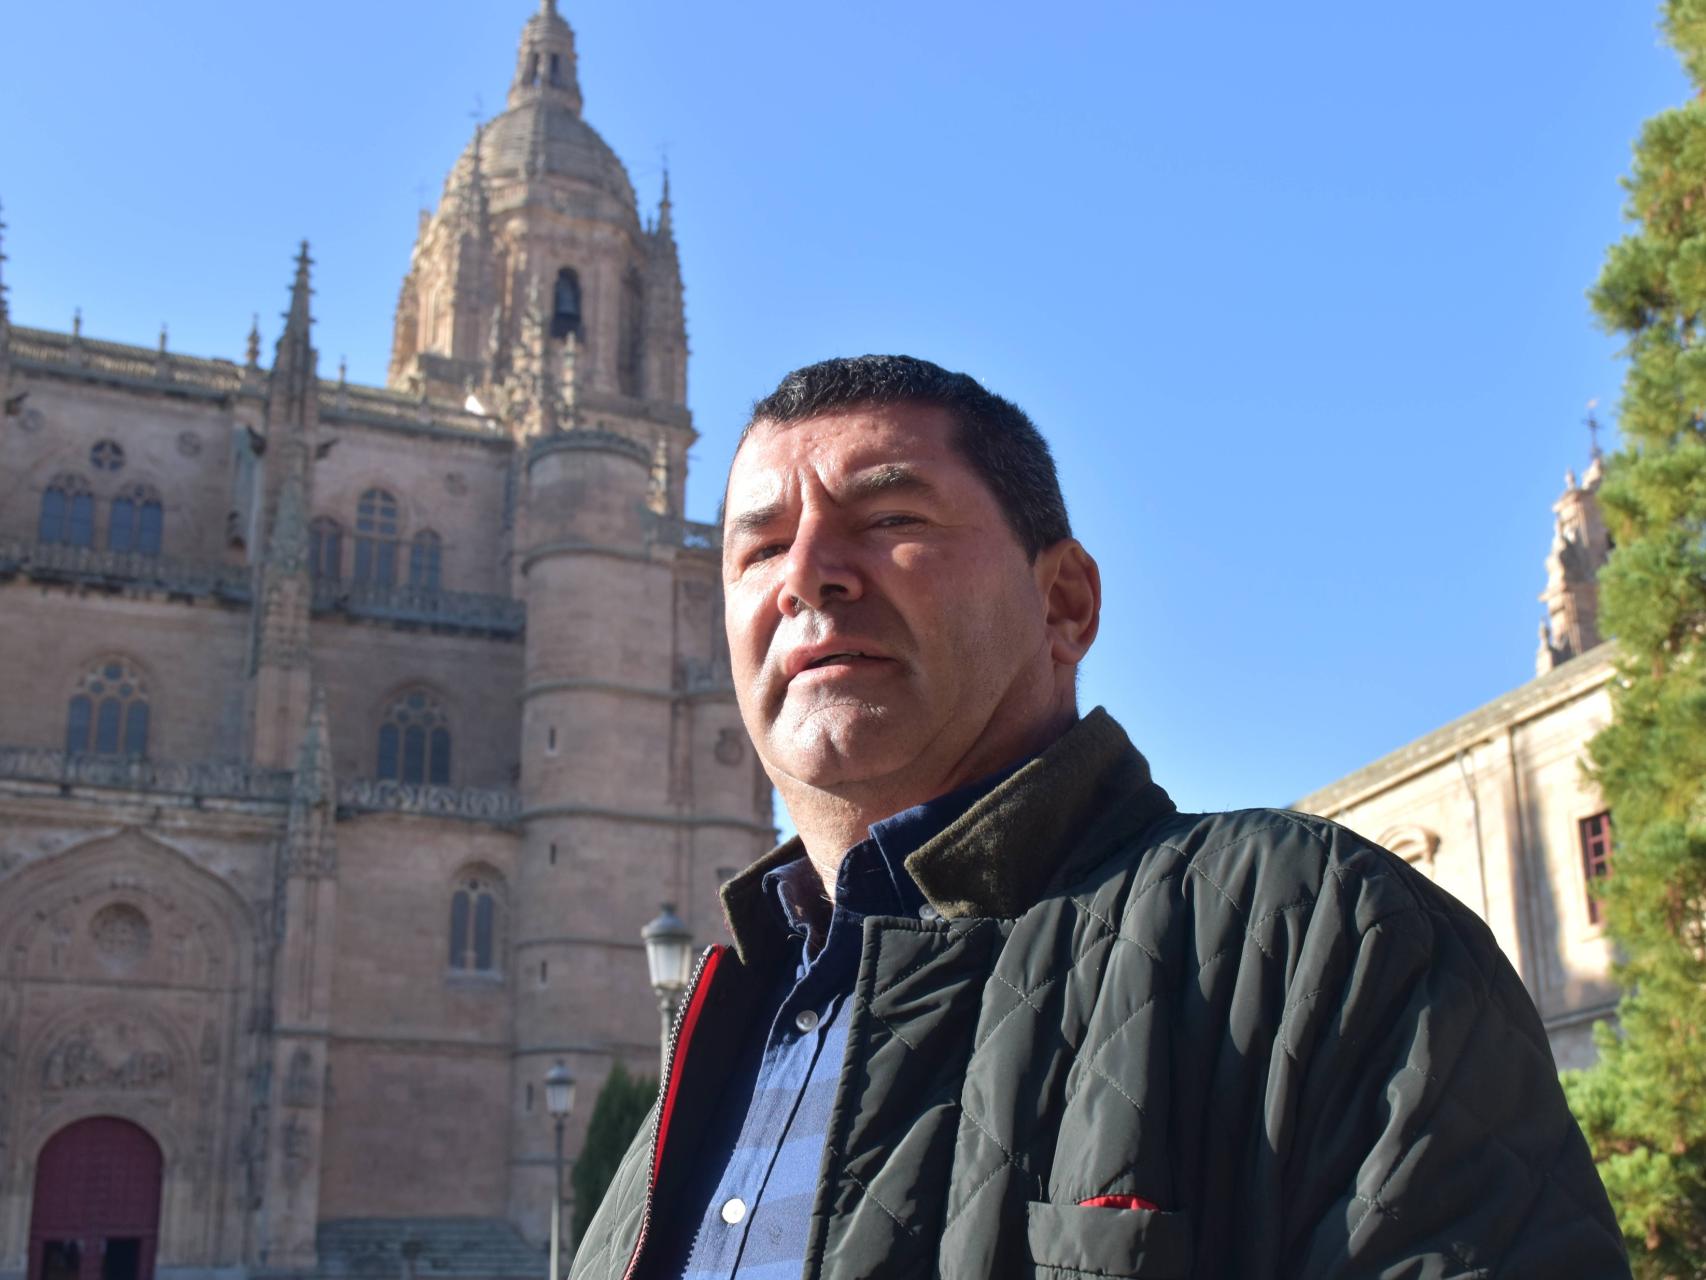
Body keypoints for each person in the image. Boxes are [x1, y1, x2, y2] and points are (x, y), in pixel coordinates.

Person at [570, 355, 1629, 1279]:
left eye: (889, 517)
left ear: (1063, 603)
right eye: (755, 549)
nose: (804, 575)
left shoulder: (1315, 932)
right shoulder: (717, 1043)